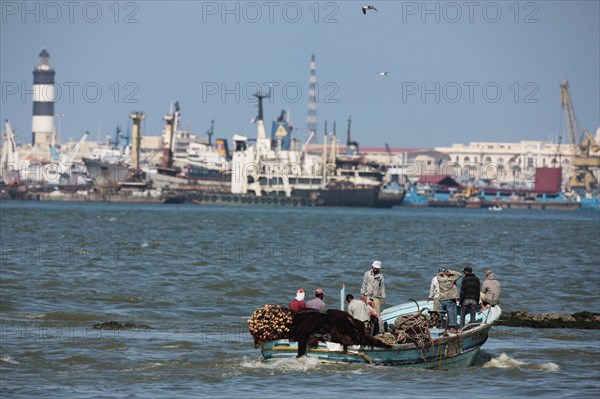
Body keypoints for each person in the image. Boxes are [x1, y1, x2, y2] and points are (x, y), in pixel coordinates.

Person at [437, 268, 462, 333]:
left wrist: (442, 274)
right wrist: (450, 272)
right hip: (449, 298)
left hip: (441, 298)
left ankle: (442, 325)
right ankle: (452, 328)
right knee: (452, 313)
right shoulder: (450, 279)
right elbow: (459, 274)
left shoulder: (439, 279)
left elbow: (438, 275)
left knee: (441, 313)